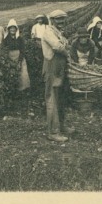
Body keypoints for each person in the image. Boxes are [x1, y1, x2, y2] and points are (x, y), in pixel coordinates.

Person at [42, 9, 74, 142]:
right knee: (52, 99)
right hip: (51, 68)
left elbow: (65, 44)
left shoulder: (58, 32)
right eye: (58, 19)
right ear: (52, 20)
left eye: (63, 19)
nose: (61, 22)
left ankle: (61, 126)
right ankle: (53, 132)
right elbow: (58, 47)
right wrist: (68, 53)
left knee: (60, 98)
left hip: (59, 68)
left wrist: (66, 47)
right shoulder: (48, 32)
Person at [2, 19, 31, 91]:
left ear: (16, 29)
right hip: (10, 58)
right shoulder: (5, 40)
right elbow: (4, 50)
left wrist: (19, 61)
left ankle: (23, 90)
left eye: (14, 28)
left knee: (23, 73)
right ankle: (13, 90)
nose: (12, 29)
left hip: (19, 57)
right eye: (11, 28)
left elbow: (22, 50)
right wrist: (8, 61)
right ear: (8, 29)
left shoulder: (19, 39)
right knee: (11, 73)